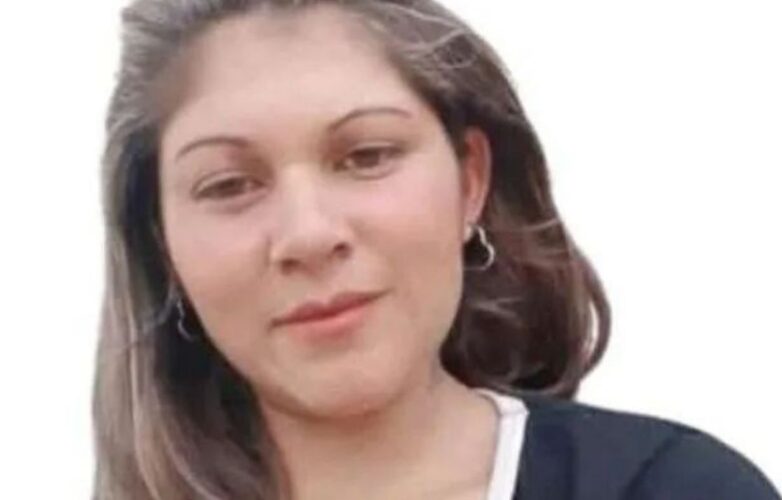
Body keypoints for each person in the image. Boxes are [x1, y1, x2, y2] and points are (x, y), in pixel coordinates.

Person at [92, 0, 780, 499]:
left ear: (470, 181)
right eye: (229, 185)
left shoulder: (672, 487)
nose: (309, 234)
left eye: (367, 156)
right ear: (161, 241)